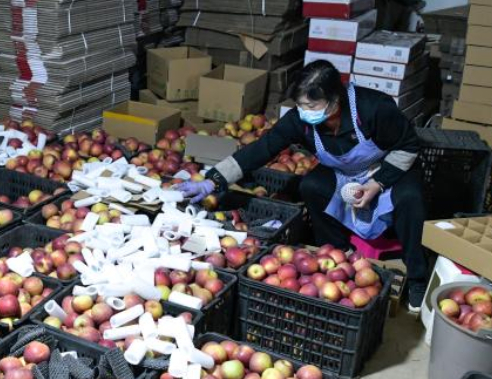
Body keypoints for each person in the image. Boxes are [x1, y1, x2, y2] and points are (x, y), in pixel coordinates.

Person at [176, 59, 429, 312]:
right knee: (311, 186)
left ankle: (417, 277)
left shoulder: (374, 108)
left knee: (410, 197)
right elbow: (264, 147)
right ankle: (337, 255)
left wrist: (378, 183)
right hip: (345, 172)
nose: (305, 111)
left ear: (335, 99)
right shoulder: (302, 120)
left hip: (387, 166)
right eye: (299, 105)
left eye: (311, 105)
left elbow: (408, 146)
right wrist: (214, 179)